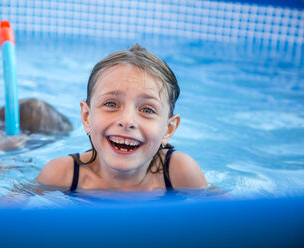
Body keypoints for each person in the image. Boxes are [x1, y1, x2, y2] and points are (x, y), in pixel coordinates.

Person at [36, 44, 208, 191]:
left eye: (147, 110)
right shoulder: (61, 175)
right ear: (87, 117)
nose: (127, 121)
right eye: (111, 104)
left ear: (168, 129)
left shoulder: (179, 174)